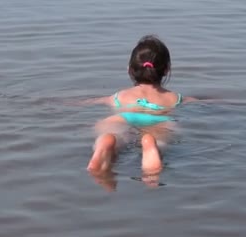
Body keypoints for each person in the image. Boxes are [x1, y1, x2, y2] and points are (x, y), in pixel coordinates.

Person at [84, 35, 196, 175]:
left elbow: (88, 101)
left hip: (122, 117)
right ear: (166, 69)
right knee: (159, 139)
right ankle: (151, 145)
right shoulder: (175, 98)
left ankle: (107, 142)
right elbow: (202, 103)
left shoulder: (119, 96)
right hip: (160, 121)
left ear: (130, 70)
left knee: (117, 136)